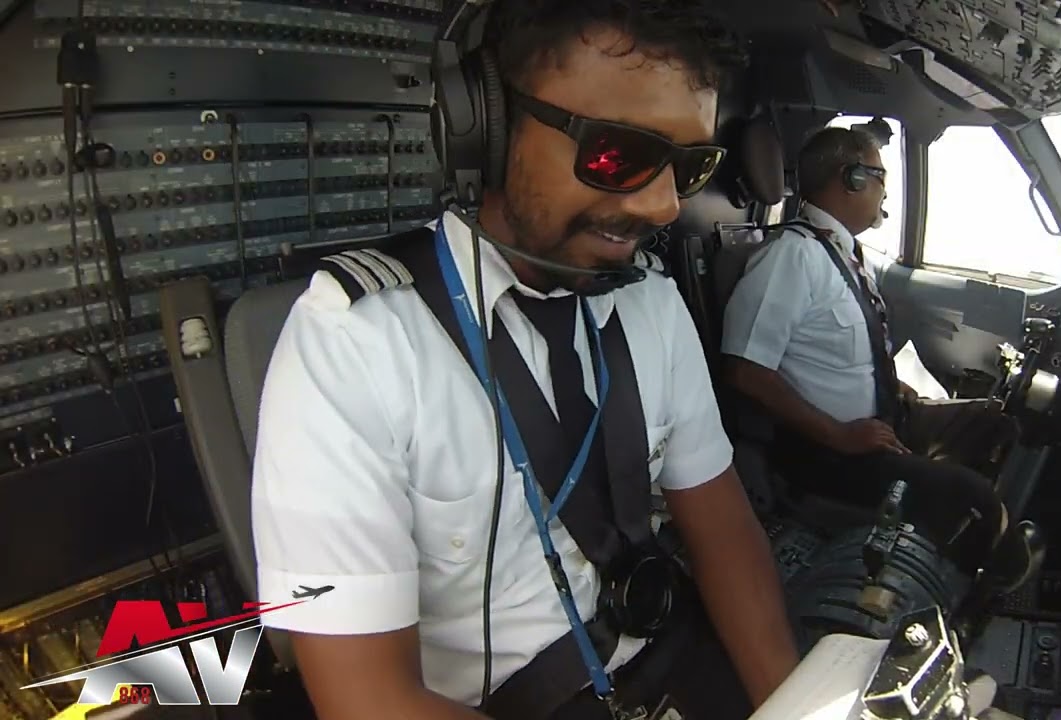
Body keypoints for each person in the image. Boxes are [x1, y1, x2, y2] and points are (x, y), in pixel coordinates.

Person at [250, 2, 799, 719]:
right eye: (617, 156)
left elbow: (722, 526)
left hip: (663, 653)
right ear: (486, 125)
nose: (665, 206)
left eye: (689, 167)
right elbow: (366, 699)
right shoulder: (353, 342)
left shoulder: (652, 304)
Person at [720, 125, 1014, 572]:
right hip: (831, 451)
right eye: (879, 178)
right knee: (976, 502)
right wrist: (839, 435)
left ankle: (937, 510)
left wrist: (892, 386)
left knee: (999, 425)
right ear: (852, 179)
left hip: (883, 419)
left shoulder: (843, 252)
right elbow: (744, 369)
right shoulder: (792, 257)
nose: (884, 193)